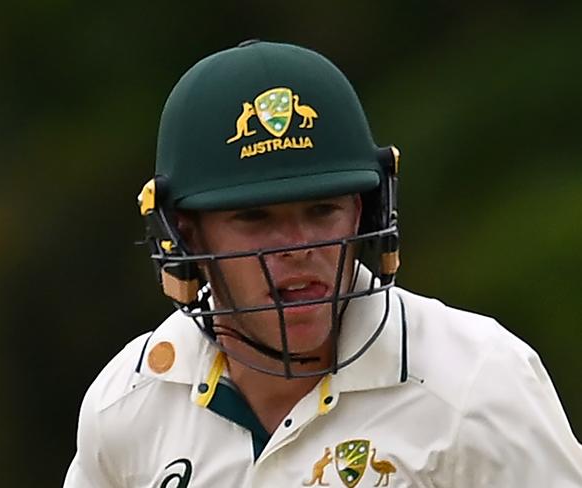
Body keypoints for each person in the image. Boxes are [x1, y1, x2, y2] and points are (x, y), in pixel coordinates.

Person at [63, 40, 582, 487]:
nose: (298, 246)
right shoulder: (128, 405)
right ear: (186, 233)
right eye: (255, 217)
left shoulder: (475, 381)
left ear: (363, 212)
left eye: (322, 209)